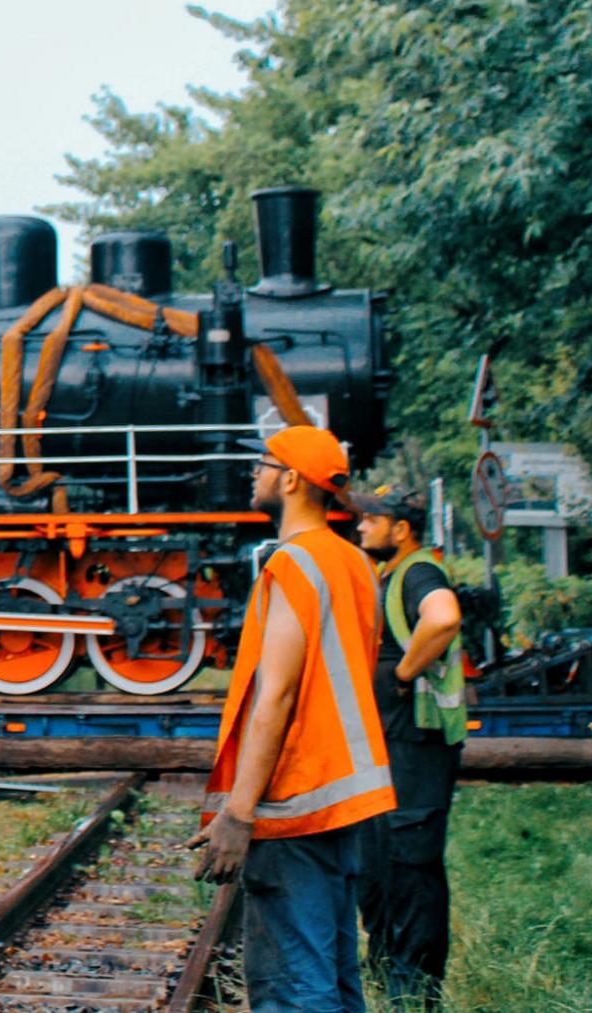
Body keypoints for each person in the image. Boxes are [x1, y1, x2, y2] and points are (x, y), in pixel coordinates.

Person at [188, 424, 396, 1013]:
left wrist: (240, 812)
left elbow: (275, 695)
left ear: (290, 479)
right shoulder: (355, 563)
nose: (254, 473)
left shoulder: (293, 565)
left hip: (296, 795)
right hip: (344, 790)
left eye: (262, 463)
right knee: (333, 973)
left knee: (293, 987)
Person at [354, 483, 464, 1010]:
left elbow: (443, 617)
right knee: (380, 866)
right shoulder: (391, 575)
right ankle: (386, 975)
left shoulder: (420, 572)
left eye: (371, 519)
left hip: (416, 743)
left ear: (401, 529)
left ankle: (416, 994)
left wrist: (401, 672)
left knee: (411, 864)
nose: (360, 526)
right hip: (392, 743)